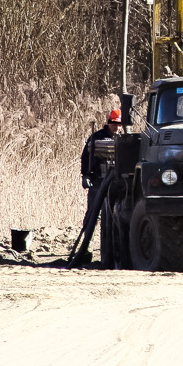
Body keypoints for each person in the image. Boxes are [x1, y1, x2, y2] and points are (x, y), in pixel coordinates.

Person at [77, 109, 121, 262]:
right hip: (97, 182)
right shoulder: (96, 138)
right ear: (108, 122)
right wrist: (86, 175)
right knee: (92, 215)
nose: (116, 126)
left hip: (116, 185)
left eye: (119, 124)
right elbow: (85, 158)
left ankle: (114, 252)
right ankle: (87, 248)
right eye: (114, 123)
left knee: (115, 218)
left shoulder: (125, 139)